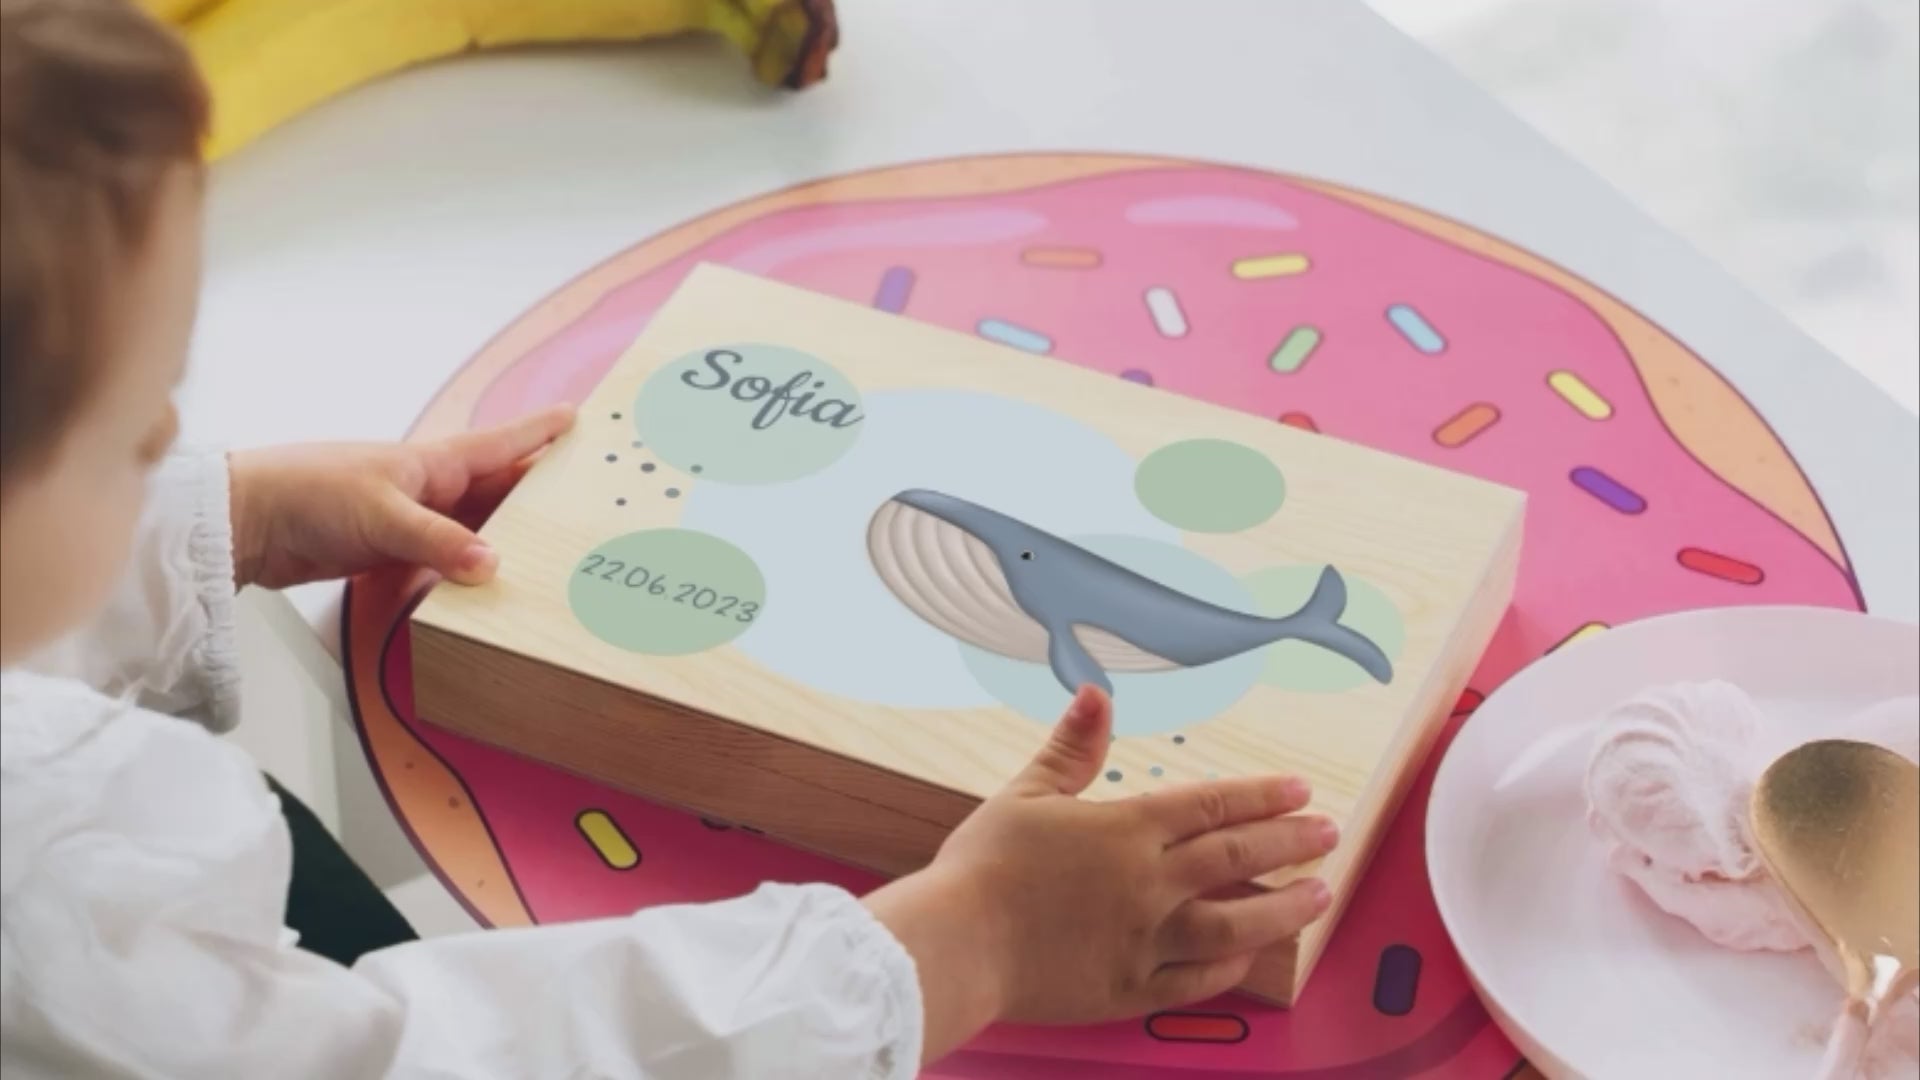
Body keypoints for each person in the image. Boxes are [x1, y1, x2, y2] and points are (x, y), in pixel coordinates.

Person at [0, 1, 1340, 1075]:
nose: (171, 431)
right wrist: (966, 942)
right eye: (131, 424)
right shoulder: (52, 879)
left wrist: (215, 517)